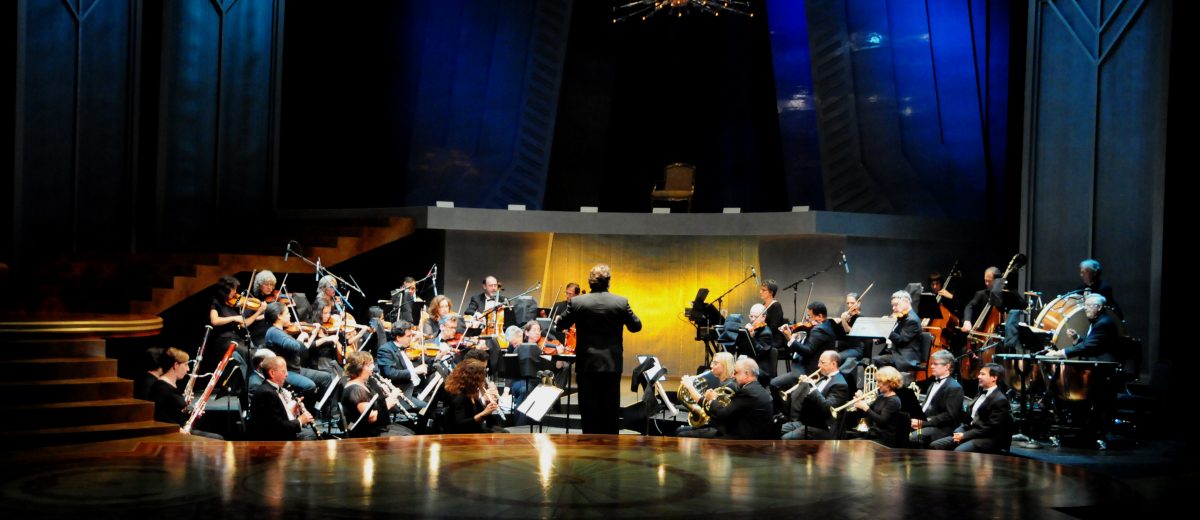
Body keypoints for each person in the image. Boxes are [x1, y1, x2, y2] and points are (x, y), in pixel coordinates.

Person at [557, 263, 642, 434]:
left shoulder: (577, 302)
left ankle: (589, 447)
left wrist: (562, 318)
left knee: (588, 411)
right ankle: (610, 450)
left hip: (586, 365)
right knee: (610, 411)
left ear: (590, 283)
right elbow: (636, 326)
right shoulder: (620, 302)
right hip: (611, 365)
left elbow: (561, 325)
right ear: (608, 282)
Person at [260, 302, 336, 405]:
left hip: (296, 369)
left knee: (326, 377)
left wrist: (312, 335)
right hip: (286, 372)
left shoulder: (281, 332)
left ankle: (320, 409)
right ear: (279, 316)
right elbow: (294, 346)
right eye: (287, 313)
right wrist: (301, 337)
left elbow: (302, 349)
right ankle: (304, 411)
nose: (290, 315)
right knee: (309, 385)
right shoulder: (273, 331)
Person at [930, 363, 1012, 453]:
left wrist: (964, 435)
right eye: (979, 373)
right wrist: (959, 431)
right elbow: (969, 421)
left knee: (959, 451)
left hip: (988, 438)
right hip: (972, 433)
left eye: (983, 374)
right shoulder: (980, 394)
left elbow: (990, 429)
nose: (979, 376)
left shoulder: (1000, 400)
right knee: (936, 445)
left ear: (994, 378)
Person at [340, 351, 413, 437]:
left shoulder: (363, 383)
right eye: (370, 364)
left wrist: (384, 394)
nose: (373, 367)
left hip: (375, 428)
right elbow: (371, 417)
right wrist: (388, 403)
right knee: (408, 437)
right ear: (360, 368)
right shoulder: (356, 390)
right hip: (367, 433)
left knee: (411, 432)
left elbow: (375, 406)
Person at [780, 350, 849, 440]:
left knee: (785, 438)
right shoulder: (822, 378)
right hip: (808, 421)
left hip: (824, 427)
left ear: (833, 364)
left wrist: (812, 387)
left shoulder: (841, 385)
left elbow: (827, 407)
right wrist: (802, 387)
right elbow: (808, 399)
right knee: (776, 429)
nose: (818, 365)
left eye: (822, 362)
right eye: (819, 362)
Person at [248, 356, 318, 441]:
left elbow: (276, 417)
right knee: (315, 436)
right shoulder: (267, 394)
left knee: (313, 433)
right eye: (283, 371)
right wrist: (300, 421)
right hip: (274, 442)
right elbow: (276, 428)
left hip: (279, 435)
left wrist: (292, 411)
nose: (287, 374)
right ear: (272, 373)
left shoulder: (271, 389)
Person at [702, 358, 774, 440]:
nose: (733, 376)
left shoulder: (747, 392)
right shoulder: (757, 389)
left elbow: (722, 414)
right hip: (751, 437)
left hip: (743, 442)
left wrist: (713, 399)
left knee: (690, 436)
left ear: (746, 374)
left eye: (735, 372)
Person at [772, 301, 836, 388]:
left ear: (820, 316)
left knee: (774, 383)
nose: (807, 320)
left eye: (809, 316)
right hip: (805, 364)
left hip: (808, 370)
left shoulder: (819, 330)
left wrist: (790, 338)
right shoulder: (827, 325)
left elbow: (807, 351)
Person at [676, 352, 739, 438]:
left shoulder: (730, 386)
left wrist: (690, 386)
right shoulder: (723, 382)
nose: (711, 366)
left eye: (715, 363)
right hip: (714, 424)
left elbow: (712, 407)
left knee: (681, 434)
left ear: (725, 365)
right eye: (712, 362)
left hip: (721, 429)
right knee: (679, 430)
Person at [909, 350, 964, 447]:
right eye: (931, 364)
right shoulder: (933, 383)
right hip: (927, 422)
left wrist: (923, 423)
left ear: (947, 366)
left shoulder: (954, 387)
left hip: (942, 428)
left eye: (935, 364)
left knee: (911, 437)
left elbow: (949, 416)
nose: (931, 367)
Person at [1044, 294, 1121, 362]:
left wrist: (1060, 353)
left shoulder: (1103, 324)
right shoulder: (1098, 321)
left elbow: (1087, 346)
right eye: (1085, 305)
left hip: (1104, 366)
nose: (1085, 308)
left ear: (1099, 307)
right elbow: (1093, 343)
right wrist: (1076, 337)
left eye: (1088, 305)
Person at [375, 320, 430, 413]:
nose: (411, 338)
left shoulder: (403, 348)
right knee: (427, 409)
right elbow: (391, 373)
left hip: (415, 388)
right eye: (408, 336)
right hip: (402, 393)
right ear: (398, 337)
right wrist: (415, 371)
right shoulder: (385, 350)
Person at [443, 359, 508, 434]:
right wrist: (484, 413)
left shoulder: (471, 392)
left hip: (475, 431)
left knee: (503, 433)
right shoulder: (459, 396)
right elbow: (460, 424)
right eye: (482, 376)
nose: (484, 380)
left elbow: (487, 418)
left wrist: (487, 406)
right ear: (474, 379)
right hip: (463, 436)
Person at [846, 366, 904, 447]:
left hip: (884, 440)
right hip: (873, 436)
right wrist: (859, 403)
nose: (877, 384)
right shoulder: (880, 397)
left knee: (854, 447)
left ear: (889, 383)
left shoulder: (894, 401)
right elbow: (867, 415)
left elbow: (882, 421)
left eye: (880, 381)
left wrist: (865, 407)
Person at [874, 290, 922, 372]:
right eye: (892, 305)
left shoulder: (912, 320)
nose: (893, 308)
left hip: (904, 357)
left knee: (878, 360)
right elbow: (893, 334)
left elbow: (901, 340)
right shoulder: (901, 316)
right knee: (876, 358)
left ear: (906, 301)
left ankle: (886, 384)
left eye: (896, 305)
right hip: (894, 352)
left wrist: (887, 328)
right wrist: (879, 338)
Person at [751, 280, 787, 381]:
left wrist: (757, 332)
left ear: (771, 292)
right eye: (761, 290)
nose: (760, 292)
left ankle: (764, 375)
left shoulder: (776, 306)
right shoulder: (763, 306)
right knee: (752, 345)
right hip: (764, 336)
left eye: (763, 290)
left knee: (758, 348)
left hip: (773, 338)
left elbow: (774, 327)